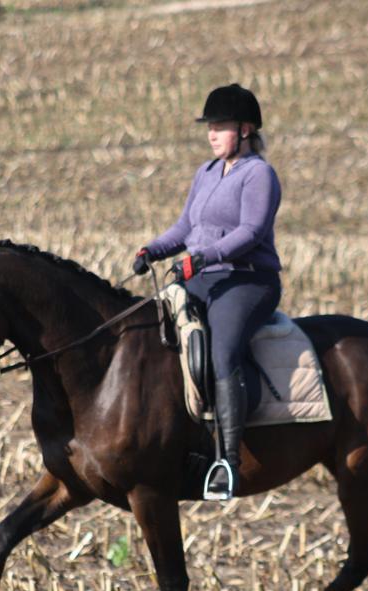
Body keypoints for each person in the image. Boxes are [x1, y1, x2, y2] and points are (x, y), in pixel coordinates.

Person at [133, 83, 283, 500]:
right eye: (209, 127)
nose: (211, 134)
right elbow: (186, 227)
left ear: (246, 130)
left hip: (246, 280)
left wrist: (201, 258)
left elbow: (251, 232)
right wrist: (153, 249)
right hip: (200, 276)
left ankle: (228, 462)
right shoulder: (207, 172)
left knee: (222, 351)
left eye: (220, 127)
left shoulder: (259, 175)